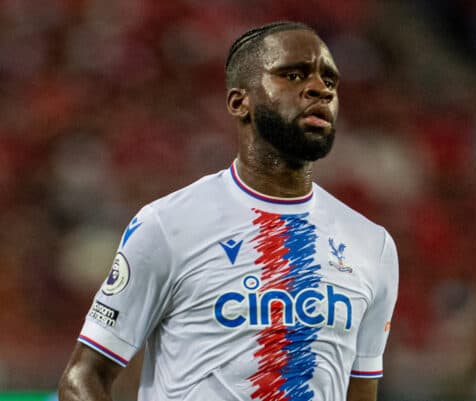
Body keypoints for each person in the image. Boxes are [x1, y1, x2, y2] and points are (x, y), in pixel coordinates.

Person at [58, 21, 399, 401]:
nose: (320, 88)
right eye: (293, 74)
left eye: (330, 81)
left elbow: (361, 393)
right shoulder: (168, 226)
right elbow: (82, 378)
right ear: (240, 102)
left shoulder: (373, 246)